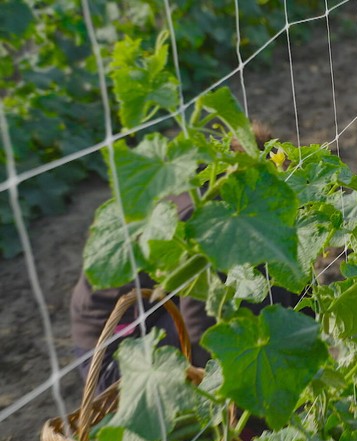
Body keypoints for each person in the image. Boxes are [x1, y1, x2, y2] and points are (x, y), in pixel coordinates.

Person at [70, 121, 308, 393]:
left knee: (268, 274)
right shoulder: (210, 220)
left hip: (151, 316)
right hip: (116, 361)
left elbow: (296, 282)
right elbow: (201, 331)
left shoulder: (203, 184)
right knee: (251, 288)